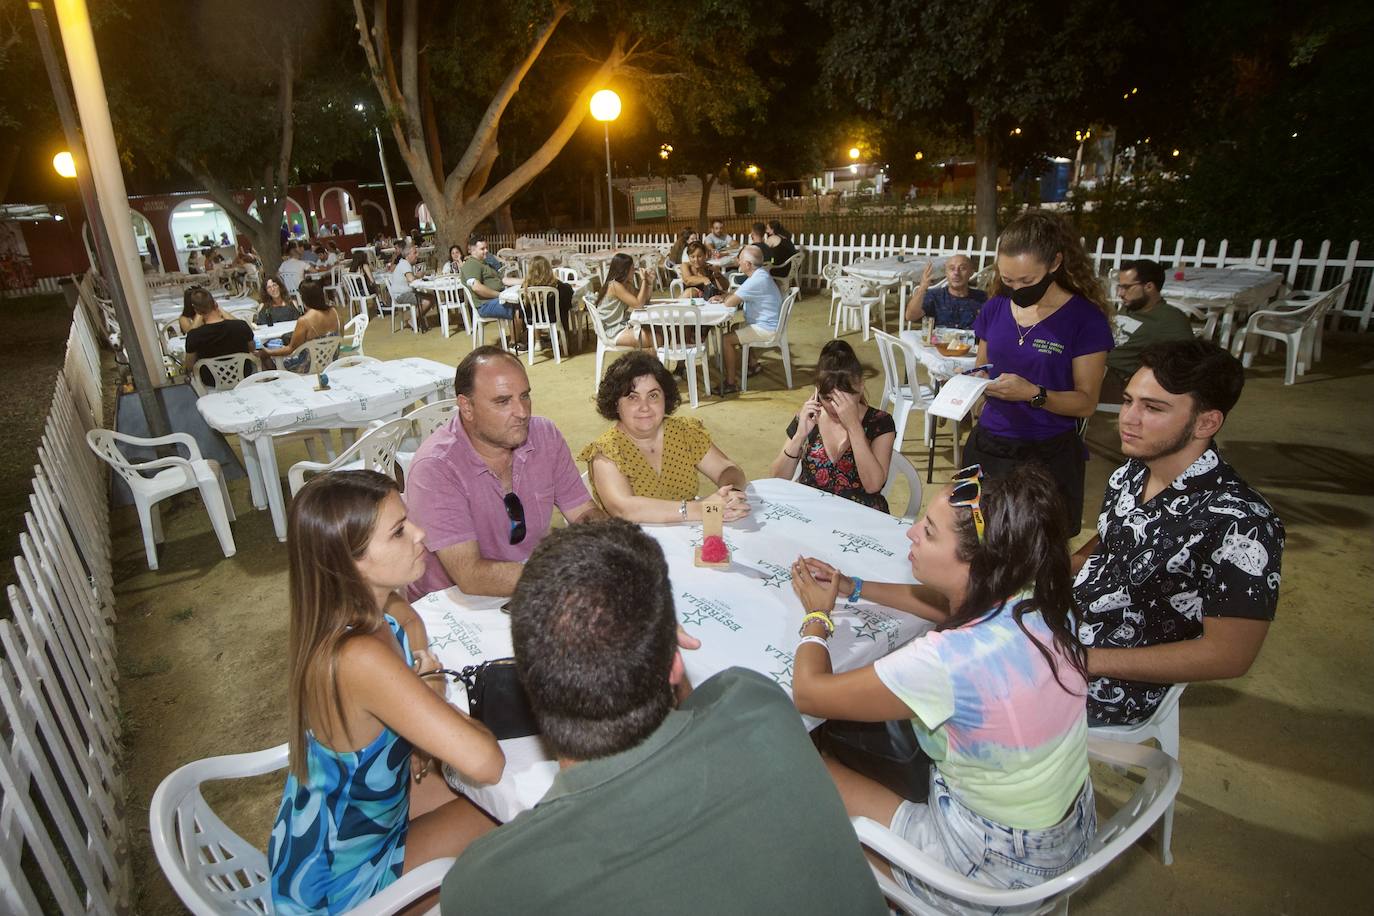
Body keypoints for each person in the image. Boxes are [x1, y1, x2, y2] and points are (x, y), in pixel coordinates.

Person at [439, 519, 887, 915]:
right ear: (675, 660)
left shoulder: (487, 886)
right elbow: (695, 707)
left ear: (528, 684)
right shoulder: (757, 703)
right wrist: (662, 651)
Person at [788, 464, 1095, 912]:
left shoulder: (947, 661)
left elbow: (810, 693)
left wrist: (817, 617)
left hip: (991, 872)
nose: (911, 533)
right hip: (1069, 837)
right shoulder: (1039, 600)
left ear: (977, 563)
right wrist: (854, 587)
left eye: (929, 533)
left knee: (800, 764)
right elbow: (946, 604)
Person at [268, 471, 504, 915]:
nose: (420, 533)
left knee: (475, 788)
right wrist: (430, 696)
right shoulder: (359, 658)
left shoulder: (353, 612)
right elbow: (486, 761)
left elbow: (408, 618)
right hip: (341, 887)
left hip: (345, 832)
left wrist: (421, 670)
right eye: (399, 531)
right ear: (349, 562)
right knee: (517, 818)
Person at [1071, 339, 1283, 726]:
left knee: (962, 693)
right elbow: (1112, 540)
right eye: (1128, 401)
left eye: (1153, 408)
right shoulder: (1133, 471)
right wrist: (1046, 569)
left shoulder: (1243, 524)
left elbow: (1229, 656)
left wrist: (1085, 660)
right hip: (1069, 625)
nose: (1128, 419)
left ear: (1206, 423)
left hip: (1116, 680)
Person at [403, 346, 604, 599]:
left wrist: (611, 541)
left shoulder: (544, 435)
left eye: (525, 396)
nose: (522, 412)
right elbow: (471, 576)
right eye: (503, 401)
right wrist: (566, 578)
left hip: (532, 582)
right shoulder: (435, 468)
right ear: (466, 407)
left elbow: (583, 512)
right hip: (454, 604)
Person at [960, 210, 1115, 535]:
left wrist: (1034, 394)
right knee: (975, 538)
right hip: (988, 446)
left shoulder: (1085, 320)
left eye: (1027, 281)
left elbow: (1086, 403)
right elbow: (981, 367)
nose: (1016, 288)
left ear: (1055, 263)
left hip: (1047, 455)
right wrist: (975, 387)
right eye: (1008, 279)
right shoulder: (995, 307)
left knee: (1038, 547)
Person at [579, 352, 750, 524]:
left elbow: (727, 469)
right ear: (616, 404)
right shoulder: (606, 452)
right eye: (632, 397)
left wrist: (730, 494)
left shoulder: (684, 432)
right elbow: (625, 510)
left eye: (653, 396)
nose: (645, 407)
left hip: (688, 532)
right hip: (634, 538)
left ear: (665, 398)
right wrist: (700, 509)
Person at [770, 340, 896, 512]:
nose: (834, 407)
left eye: (843, 398)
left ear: (860, 387)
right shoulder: (810, 417)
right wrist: (799, 436)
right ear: (817, 391)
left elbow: (873, 485)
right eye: (827, 398)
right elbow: (776, 480)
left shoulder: (880, 422)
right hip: (812, 513)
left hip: (860, 517)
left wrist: (854, 427)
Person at [1102, 258, 1195, 402]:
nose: (1120, 293)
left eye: (1126, 287)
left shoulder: (1169, 318)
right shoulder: (1130, 308)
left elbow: (1188, 362)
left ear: (1149, 287)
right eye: (1119, 287)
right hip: (1095, 366)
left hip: (1116, 380)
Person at [712, 244, 783, 394]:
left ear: (748, 264)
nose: (738, 262)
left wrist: (725, 298)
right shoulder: (760, 275)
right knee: (734, 328)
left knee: (726, 340)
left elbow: (730, 303)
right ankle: (753, 364)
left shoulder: (755, 281)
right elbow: (738, 293)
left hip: (765, 329)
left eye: (740, 260)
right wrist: (726, 296)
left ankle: (731, 383)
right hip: (769, 324)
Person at [264, 278, 342, 372]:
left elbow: (290, 349)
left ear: (304, 298)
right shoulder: (335, 312)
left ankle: (278, 379)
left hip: (308, 366)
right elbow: (340, 337)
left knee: (269, 358)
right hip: (331, 361)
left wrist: (268, 352)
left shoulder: (305, 320)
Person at [182, 287, 256, 386]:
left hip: (211, 381)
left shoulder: (194, 336)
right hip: (244, 376)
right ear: (216, 305)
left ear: (197, 311)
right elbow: (252, 348)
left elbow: (190, 365)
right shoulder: (241, 326)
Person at [460, 234, 524, 345]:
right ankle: (514, 343)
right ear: (472, 250)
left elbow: (503, 280)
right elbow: (477, 288)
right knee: (515, 306)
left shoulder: (485, 263)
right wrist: (500, 295)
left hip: (496, 299)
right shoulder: (471, 265)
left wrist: (524, 281)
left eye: (486, 248)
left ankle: (524, 337)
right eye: (482, 249)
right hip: (485, 304)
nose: (486, 251)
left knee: (524, 301)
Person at [904, 254, 988, 330]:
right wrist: (922, 288)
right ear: (946, 273)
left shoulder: (982, 298)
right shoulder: (934, 296)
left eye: (962, 268)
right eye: (952, 269)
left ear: (971, 273)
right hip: (940, 341)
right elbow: (910, 317)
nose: (956, 273)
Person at [591, 252, 655, 348]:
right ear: (624, 270)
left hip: (621, 323)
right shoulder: (614, 285)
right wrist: (644, 280)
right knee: (657, 338)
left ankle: (650, 356)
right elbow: (638, 304)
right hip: (612, 329)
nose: (634, 271)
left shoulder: (626, 284)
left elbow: (644, 300)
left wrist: (649, 283)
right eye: (632, 269)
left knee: (660, 330)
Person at [520, 255, 577, 352]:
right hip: (552, 318)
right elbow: (568, 293)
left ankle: (537, 341)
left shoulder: (525, 286)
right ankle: (563, 338)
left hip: (533, 319)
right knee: (563, 307)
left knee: (535, 311)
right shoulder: (555, 285)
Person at [384, 244, 437, 331]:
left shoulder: (404, 263)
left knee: (431, 297)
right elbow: (411, 279)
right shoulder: (405, 264)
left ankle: (417, 319)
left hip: (404, 293)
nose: (417, 255)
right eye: (415, 253)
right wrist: (419, 276)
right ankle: (413, 320)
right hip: (402, 295)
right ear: (408, 255)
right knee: (428, 301)